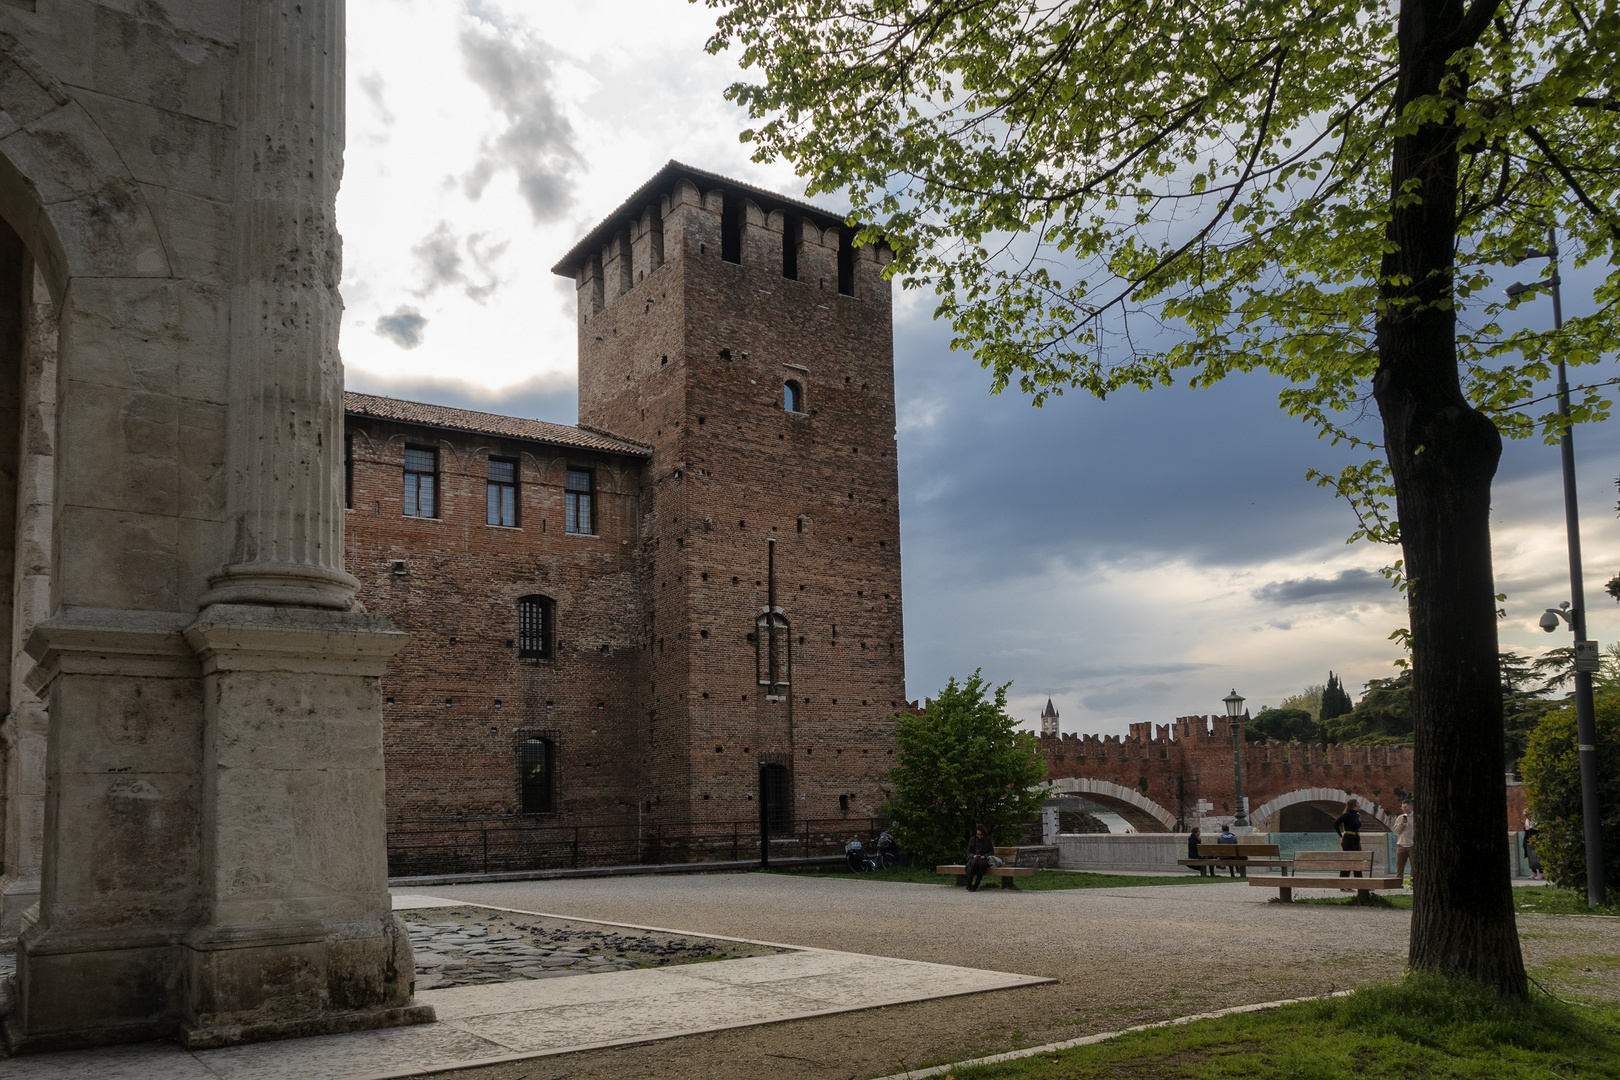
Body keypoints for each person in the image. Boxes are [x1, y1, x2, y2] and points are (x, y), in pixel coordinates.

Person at [1334, 798, 1363, 885]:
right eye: (1358, 803)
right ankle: (1344, 883)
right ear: (1354, 806)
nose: (1359, 804)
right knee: (1348, 861)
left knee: (1357, 860)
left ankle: (1360, 882)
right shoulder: (1347, 815)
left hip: (1355, 839)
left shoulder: (1356, 815)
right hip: (1348, 839)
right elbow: (1336, 823)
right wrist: (1340, 836)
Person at [1392, 800, 1415, 886]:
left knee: (1414, 864)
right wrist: (1402, 823)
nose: (1404, 809)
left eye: (1406, 807)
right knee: (1400, 864)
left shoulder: (1415, 817)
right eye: (1402, 807)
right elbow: (1397, 831)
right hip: (1401, 844)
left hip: (1412, 844)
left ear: (1411, 806)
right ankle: (1398, 882)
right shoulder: (1400, 817)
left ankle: (1413, 882)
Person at [965, 824, 994, 892]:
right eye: (978, 834)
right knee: (974, 863)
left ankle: (976, 884)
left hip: (984, 859)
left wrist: (985, 856)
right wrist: (973, 856)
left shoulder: (988, 840)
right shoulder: (973, 840)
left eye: (981, 834)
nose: (979, 836)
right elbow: (969, 852)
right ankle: (969, 884)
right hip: (974, 859)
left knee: (982, 865)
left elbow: (991, 852)